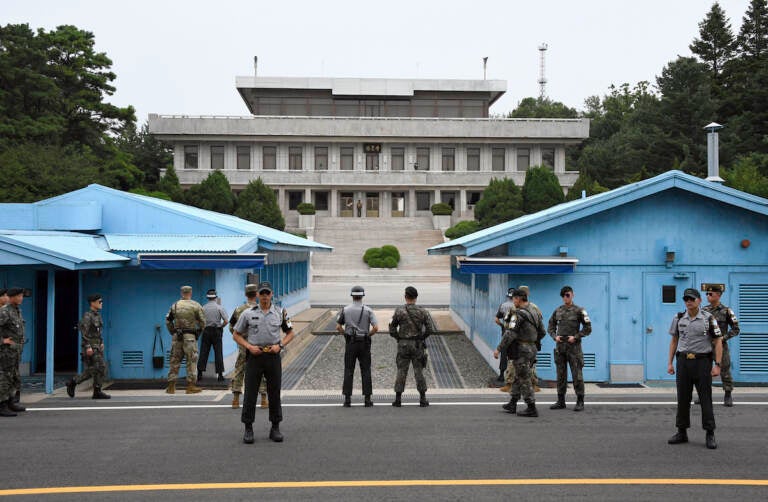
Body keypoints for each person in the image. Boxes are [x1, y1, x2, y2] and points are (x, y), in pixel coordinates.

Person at [233, 281, 294, 444]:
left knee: (274, 392)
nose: (265, 296)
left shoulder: (280, 312)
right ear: (258, 295)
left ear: (272, 294)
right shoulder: (247, 313)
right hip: (255, 356)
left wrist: (280, 345)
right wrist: (248, 347)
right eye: (262, 293)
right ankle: (248, 428)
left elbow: (290, 333)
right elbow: (236, 334)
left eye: (268, 293)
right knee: (251, 393)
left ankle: (275, 427)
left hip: (273, 356)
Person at [667, 288, 722, 450]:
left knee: (705, 398)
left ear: (699, 300)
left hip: (702, 362)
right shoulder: (678, 318)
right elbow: (674, 341)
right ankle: (682, 431)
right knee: (683, 398)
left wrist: (717, 365)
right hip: (683, 361)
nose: (688, 301)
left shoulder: (708, 319)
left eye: (691, 298)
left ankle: (710, 433)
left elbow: (718, 341)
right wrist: (670, 363)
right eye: (686, 299)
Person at [494, 288, 546, 417]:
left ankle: (531, 407)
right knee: (519, 375)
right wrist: (532, 341)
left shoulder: (518, 314)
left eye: (514, 299)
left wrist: (499, 349)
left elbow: (510, 333)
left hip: (522, 350)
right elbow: (543, 332)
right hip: (532, 348)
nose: (513, 301)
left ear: (519, 299)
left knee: (524, 378)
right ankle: (513, 402)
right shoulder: (534, 311)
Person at [389, 286, 435, 407]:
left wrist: (398, 338)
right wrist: (422, 337)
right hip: (417, 344)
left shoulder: (399, 311)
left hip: (403, 344)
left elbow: (392, 328)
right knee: (418, 370)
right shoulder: (422, 311)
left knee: (401, 370)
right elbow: (430, 329)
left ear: (405, 297)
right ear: (416, 298)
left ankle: (398, 399)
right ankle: (422, 398)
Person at [548, 286, 592, 411]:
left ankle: (580, 401)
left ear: (572, 295)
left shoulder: (579, 311)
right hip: (560, 347)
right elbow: (550, 326)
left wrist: (576, 336)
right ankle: (561, 401)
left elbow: (588, 328)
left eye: (567, 295)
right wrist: (554, 336)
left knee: (577, 375)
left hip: (574, 348)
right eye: (563, 296)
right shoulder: (558, 311)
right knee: (560, 375)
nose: (565, 298)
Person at [336, 285, 379, 407]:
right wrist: (368, 335)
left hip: (351, 342)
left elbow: (338, 326)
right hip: (364, 342)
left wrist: (346, 334)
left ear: (352, 296)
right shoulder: (368, 310)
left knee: (349, 370)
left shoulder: (345, 310)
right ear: (362, 296)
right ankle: (367, 399)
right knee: (365, 370)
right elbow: (376, 328)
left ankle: (347, 399)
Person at [229, 284, 268, 409]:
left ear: (246, 294)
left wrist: (240, 338)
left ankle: (235, 399)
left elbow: (232, 327)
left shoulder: (239, 310)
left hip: (243, 345)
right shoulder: (262, 309)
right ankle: (263, 399)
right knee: (262, 370)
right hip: (259, 345)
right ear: (257, 294)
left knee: (239, 369)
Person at [66, 294, 110, 399]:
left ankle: (96, 390)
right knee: (96, 368)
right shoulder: (87, 316)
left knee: (99, 369)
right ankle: (74, 382)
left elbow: (98, 332)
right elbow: (84, 333)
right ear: (92, 303)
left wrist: (101, 342)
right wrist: (87, 346)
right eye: (99, 302)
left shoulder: (98, 315)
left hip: (97, 346)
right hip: (90, 347)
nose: (101, 303)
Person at [702, 284, 740, 407]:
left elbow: (736, 329)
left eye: (710, 294)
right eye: (707, 294)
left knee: (725, 369)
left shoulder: (726, 311)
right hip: (706, 345)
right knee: (704, 371)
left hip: (720, 345)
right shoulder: (704, 310)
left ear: (718, 295)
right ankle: (704, 395)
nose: (708, 296)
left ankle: (728, 395)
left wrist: (723, 338)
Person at [165, 285, 205, 394]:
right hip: (190, 337)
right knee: (191, 361)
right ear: (190, 293)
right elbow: (203, 322)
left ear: (181, 293)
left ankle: (171, 386)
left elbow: (168, 321)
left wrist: (173, 332)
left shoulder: (175, 305)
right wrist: (198, 333)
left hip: (177, 337)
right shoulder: (196, 305)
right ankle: (190, 386)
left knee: (174, 360)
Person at [0, 288, 27, 416]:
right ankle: (2, 405)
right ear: (12, 297)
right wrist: (2, 340)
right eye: (19, 296)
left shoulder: (17, 311)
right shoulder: (5, 311)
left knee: (14, 377)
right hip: (6, 352)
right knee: (5, 377)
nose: (21, 298)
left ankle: (11, 401)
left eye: (21, 295)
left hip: (15, 352)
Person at [198, 289, 228, 383]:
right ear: (215, 297)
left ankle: (199, 374)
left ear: (207, 297)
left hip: (206, 331)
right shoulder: (219, 308)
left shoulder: (203, 308)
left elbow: (200, 321)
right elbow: (226, 321)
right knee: (218, 353)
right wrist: (220, 326)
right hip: (216, 331)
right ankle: (220, 375)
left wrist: (204, 327)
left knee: (203, 352)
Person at [518, 285, 542, 393]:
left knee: (525, 367)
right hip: (530, 343)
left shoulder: (528, 308)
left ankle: (530, 387)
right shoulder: (533, 307)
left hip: (524, 343)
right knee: (527, 366)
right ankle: (528, 387)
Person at [494, 288, 516, 391]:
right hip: (515, 334)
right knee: (515, 355)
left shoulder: (503, 305)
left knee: (504, 354)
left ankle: (502, 375)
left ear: (507, 296)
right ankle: (514, 375)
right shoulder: (518, 306)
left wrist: (502, 325)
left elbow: (496, 319)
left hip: (505, 333)